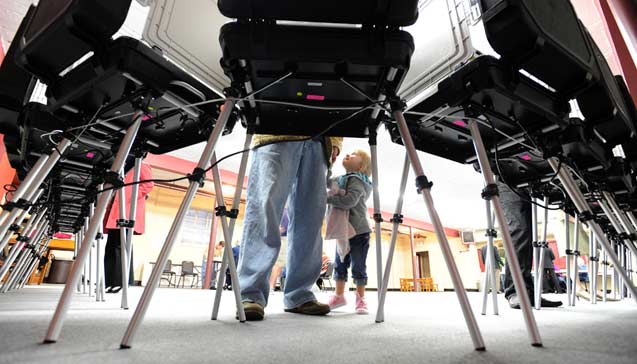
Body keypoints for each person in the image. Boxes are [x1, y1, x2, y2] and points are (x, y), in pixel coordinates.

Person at [237, 134, 342, 321]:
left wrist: (335, 142)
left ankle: (300, 294)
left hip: (320, 137)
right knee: (265, 209)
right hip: (274, 131)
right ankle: (250, 293)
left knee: (311, 218)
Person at [497, 182, 562, 309]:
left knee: (528, 233)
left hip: (525, 180)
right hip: (505, 178)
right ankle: (515, 291)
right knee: (519, 229)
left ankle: (529, 293)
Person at [326, 150, 373, 314]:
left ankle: (361, 299)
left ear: (361, 166)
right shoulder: (341, 178)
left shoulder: (357, 179)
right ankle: (339, 296)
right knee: (340, 263)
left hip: (359, 230)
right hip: (343, 229)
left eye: (354, 154)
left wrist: (329, 199)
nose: (349, 154)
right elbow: (327, 182)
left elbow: (349, 201)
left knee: (358, 265)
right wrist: (329, 163)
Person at [103, 162, 153, 293]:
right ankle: (109, 281)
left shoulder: (141, 165)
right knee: (111, 247)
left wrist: (127, 196)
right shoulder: (120, 165)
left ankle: (120, 282)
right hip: (115, 210)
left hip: (128, 209)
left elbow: (148, 185)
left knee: (121, 246)